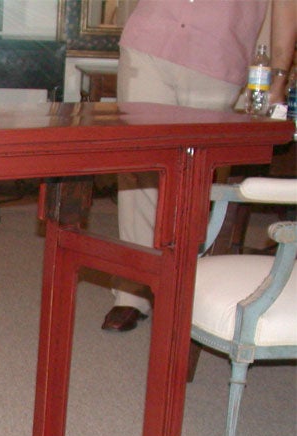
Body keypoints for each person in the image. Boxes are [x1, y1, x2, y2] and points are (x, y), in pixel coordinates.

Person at [103, 0, 297, 332]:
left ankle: (186, 288)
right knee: (140, 170)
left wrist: (277, 76)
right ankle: (132, 292)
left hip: (218, 54)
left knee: (197, 180)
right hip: (150, 40)